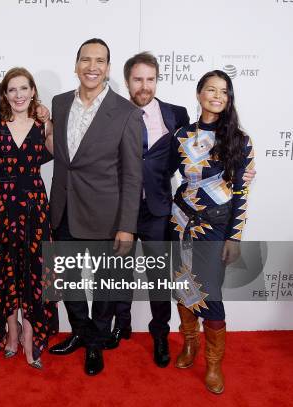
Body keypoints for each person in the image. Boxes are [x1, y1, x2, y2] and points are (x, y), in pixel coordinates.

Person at [47, 39, 144, 376]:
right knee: (68, 283)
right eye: (85, 60)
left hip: (107, 217)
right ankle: (80, 332)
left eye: (99, 61)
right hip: (62, 210)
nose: (92, 67)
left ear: (108, 67)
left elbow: (133, 176)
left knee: (106, 287)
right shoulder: (59, 104)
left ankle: (96, 343)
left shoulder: (127, 113)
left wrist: (127, 226)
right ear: (75, 65)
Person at [102, 52, 190, 366]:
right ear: (127, 81)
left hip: (157, 209)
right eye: (138, 79)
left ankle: (160, 335)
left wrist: (235, 168)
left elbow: (195, 159)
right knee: (119, 273)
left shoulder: (176, 115)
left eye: (150, 79)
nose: (144, 86)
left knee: (158, 278)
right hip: (120, 208)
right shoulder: (112, 114)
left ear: (156, 80)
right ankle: (120, 325)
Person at [170, 70, 254, 394]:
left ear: (228, 98)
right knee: (181, 286)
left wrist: (234, 236)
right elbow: (161, 173)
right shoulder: (180, 135)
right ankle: (189, 343)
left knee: (210, 294)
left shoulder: (238, 139)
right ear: (199, 93)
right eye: (210, 89)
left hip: (214, 226)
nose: (216, 96)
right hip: (179, 221)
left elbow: (242, 195)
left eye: (223, 91)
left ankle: (214, 363)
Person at [0, 67, 58, 369]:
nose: (18, 95)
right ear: (5, 94)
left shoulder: (42, 125)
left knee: (33, 272)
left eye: (24, 88)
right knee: (5, 270)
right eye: (12, 89)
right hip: (0, 207)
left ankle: (30, 335)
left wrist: (48, 121)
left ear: (33, 91)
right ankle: (11, 331)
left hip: (34, 207)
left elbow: (57, 153)